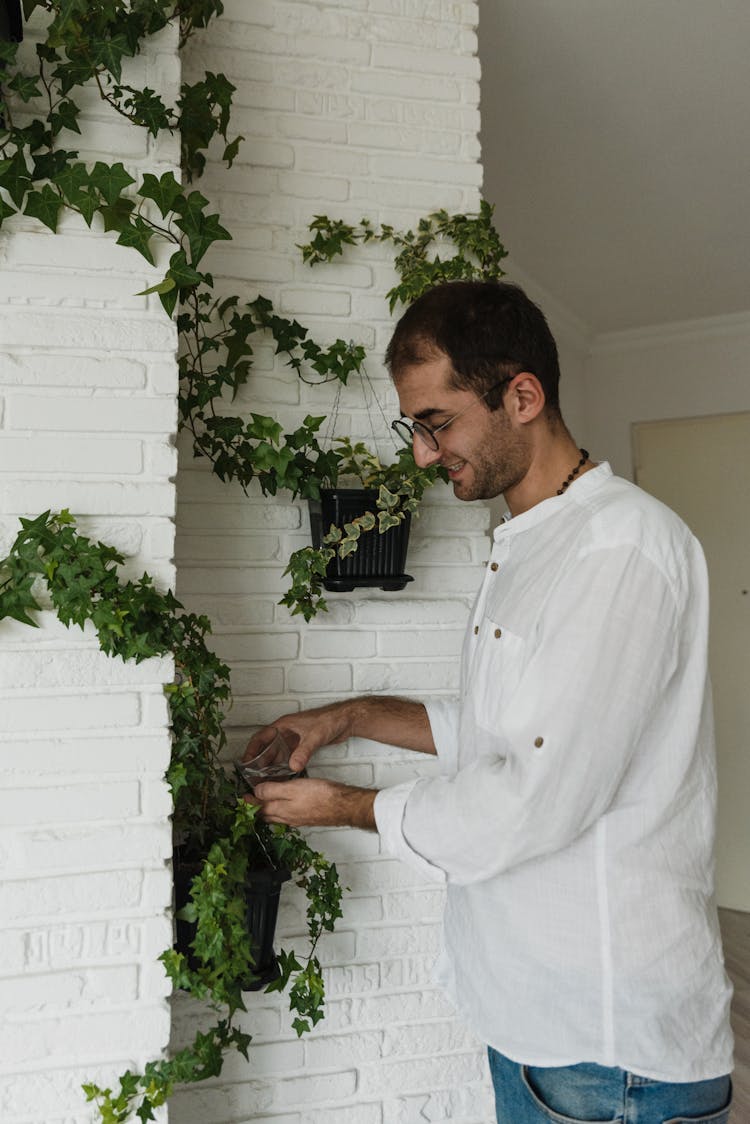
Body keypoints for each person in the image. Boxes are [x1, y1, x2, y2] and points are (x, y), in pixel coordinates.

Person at [244, 281, 734, 1123]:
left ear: (522, 395)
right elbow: (505, 734)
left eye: (437, 422)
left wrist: (348, 808)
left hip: (606, 1051)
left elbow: (538, 794)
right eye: (416, 428)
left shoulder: (619, 548)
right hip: (534, 1023)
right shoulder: (535, 541)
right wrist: (346, 717)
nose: (424, 456)